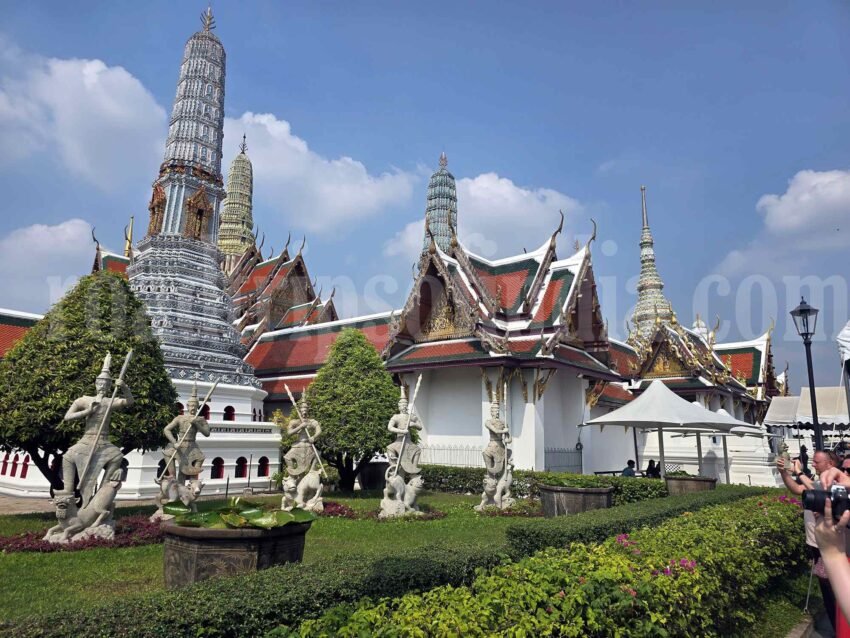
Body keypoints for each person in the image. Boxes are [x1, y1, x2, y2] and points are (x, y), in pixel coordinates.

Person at [778, 449, 841, 631]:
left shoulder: (834, 482)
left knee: (836, 589)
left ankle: (841, 626)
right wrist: (784, 472)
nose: (813, 464)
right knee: (827, 590)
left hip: (831, 544)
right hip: (815, 542)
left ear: (830, 464)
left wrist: (799, 472)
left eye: (817, 462)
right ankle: (836, 627)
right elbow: (798, 489)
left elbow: (816, 490)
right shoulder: (816, 480)